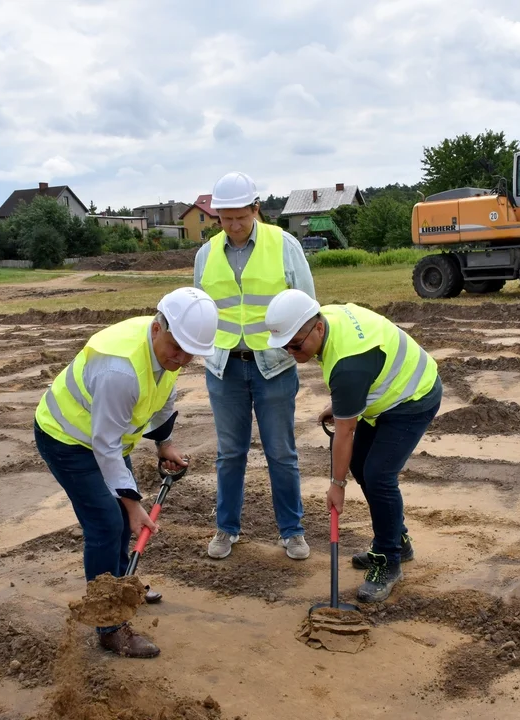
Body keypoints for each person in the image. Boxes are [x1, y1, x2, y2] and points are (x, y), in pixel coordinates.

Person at [33, 287, 218, 658]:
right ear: (156, 328)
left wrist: (164, 445)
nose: (182, 359)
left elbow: (163, 400)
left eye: (191, 353)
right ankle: (109, 623)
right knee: (107, 522)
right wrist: (134, 506)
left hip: (107, 439)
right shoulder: (120, 369)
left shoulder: (166, 355)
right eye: (177, 347)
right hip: (67, 438)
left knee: (118, 514)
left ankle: (121, 583)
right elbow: (104, 446)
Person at [264, 289, 443, 602]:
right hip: (386, 393)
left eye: (296, 344)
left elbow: (345, 432)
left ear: (317, 327)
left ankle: (389, 560)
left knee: (378, 475)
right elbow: (357, 384)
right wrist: (346, 404)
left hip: (414, 397)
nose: (292, 352)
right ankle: (398, 539)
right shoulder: (327, 322)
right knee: (361, 465)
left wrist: (337, 485)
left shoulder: (348, 365)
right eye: (285, 347)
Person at [193, 172, 316, 561]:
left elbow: (307, 305)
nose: (233, 226)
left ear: (255, 209)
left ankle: (292, 531)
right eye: (225, 218)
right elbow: (200, 309)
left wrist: (301, 349)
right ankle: (226, 529)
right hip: (225, 366)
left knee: (281, 453)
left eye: (240, 217)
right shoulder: (206, 254)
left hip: (274, 366)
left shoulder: (285, 244)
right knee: (230, 454)